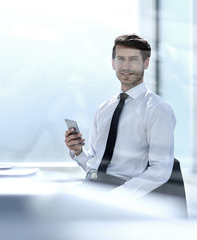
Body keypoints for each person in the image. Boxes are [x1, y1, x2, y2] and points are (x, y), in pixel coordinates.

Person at [65, 33, 176, 199]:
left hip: (122, 195)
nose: (126, 66)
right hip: (90, 188)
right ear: (112, 63)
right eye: (120, 59)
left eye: (133, 59)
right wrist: (78, 152)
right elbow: (94, 165)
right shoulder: (104, 108)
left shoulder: (158, 109)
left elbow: (160, 171)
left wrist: (115, 198)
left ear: (146, 63)